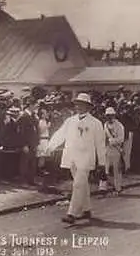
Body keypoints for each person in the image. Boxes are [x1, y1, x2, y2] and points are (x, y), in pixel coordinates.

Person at [47, 93, 106, 224]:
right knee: (82, 185)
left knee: (78, 184)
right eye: (77, 104)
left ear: (88, 107)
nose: (79, 106)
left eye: (82, 104)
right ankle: (86, 209)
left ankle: (72, 213)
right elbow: (60, 134)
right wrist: (50, 146)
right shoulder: (70, 121)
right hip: (71, 158)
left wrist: (102, 163)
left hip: (86, 158)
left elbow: (100, 144)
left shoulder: (96, 123)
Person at [104, 107, 125, 194]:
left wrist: (111, 141)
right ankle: (105, 188)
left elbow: (121, 138)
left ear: (114, 115)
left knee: (117, 170)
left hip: (116, 149)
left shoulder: (119, 125)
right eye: (108, 115)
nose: (109, 117)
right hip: (107, 149)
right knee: (106, 169)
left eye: (111, 115)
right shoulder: (105, 125)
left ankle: (118, 188)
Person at [18, 99, 40, 185]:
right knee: (25, 163)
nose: (36, 107)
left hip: (33, 143)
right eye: (35, 105)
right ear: (30, 105)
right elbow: (21, 132)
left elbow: (35, 130)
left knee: (32, 163)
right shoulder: (24, 116)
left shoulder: (33, 116)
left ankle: (31, 180)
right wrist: (24, 144)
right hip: (27, 143)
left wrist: (37, 142)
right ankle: (23, 181)